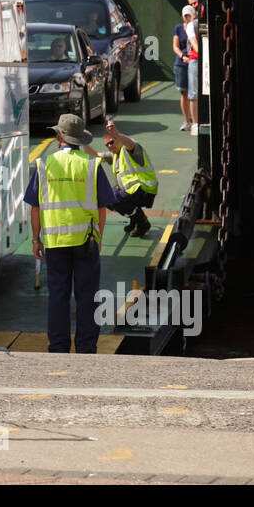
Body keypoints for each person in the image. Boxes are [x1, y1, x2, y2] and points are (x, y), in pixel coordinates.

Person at [25, 114, 118, 354]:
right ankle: (86, 347)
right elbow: (102, 208)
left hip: (55, 242)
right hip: (86, 240)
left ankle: (58, 347)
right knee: (87, 296)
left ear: (59, 137)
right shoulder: (91, 164)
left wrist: (36, 239)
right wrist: (99, 237)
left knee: (58, 295)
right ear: (79, 139)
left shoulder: (44, 165)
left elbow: (35, 207)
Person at [101, 119, 157, 237]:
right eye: (107, 145)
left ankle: (142, 223)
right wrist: (82, 142)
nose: (109, 146)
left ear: (118, 139)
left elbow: (130, 144)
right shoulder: (115, 155)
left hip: (144, 190)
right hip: (134, 191)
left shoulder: (130, 149)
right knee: (106, 196)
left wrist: (116, 133)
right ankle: (135, 219)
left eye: (111, 142)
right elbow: (96, 155)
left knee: (115, 197)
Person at [173, 5, 197, 132]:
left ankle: (195, 121)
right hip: (182, 64)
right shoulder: (178, 28)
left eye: (189, 15)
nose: (187, 18)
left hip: (195, 61)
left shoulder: (196, 27)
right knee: (185, 93)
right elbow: (175, 46)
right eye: (185, 15)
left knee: (195, 93)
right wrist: (183, 57)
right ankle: (187, 121)